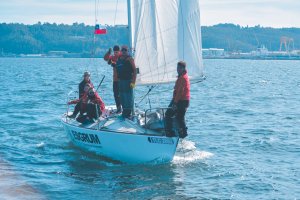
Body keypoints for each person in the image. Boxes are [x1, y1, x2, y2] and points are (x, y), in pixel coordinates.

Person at [165, 61, 190, 138]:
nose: (178, 69)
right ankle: (183, 133)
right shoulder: (183, 76)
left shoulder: (182, 78)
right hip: (184, 100)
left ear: (183, 69)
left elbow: (180, 92)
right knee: (180, 117)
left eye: (179, 68)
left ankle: (170, 132)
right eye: (177, 68)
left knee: (168, 114)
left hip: (180, 101)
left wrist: (175, 103)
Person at [115, 45, 137, 118]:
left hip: (128, 81)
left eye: (125, 50)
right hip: (121, 81)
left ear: (127, 51)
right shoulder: (119, 59)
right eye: (123, 50)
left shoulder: (130, 59)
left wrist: (133, 82)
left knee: (128, 96)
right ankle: (124, 111)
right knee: (122, 96)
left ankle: (128, 112)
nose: (124, 51)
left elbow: (135, 70)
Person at [104, 45, 122, 113]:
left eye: (116, 52)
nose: (115, 53)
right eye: (114, 52)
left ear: (119, 51)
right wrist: (108, 52)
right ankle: (119, 108)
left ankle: (124, 107)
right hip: (115, 80)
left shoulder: (122, 57)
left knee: (122, 95)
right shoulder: (113, 57)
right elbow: (105, 58)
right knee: (116, 94)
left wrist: (114, 63)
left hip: (122, 80)